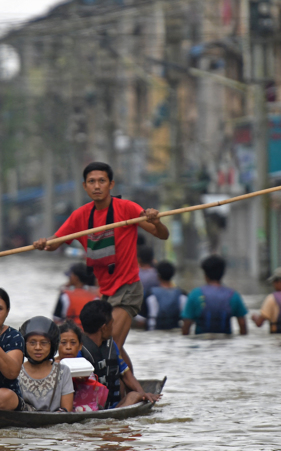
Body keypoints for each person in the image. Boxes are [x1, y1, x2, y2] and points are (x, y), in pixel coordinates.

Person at [33, 162, 170, 371]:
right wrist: (45, 244)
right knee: (109, 346)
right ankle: (130, 388)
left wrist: (157, 221)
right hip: (105, 292)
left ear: (111, 184)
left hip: (128, 287)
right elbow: (56, 242)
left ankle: (128, 391)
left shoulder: (127, 209)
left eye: (101, 181)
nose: (97, 186)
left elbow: (162, 234)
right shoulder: (80, 216)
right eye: (92, 182)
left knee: (111, 343)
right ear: (85, 186)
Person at [77, 300, 159, 409]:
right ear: (104, 328)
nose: (113, 326)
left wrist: (143, 394)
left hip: (113, 406)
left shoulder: (111, 345)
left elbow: (126, 374)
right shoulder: (79, 349)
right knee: (134, 397)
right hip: (88, 408)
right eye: (112, 323)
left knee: (134, 395)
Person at [17, 316, 74, 412]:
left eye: (44, 343)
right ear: (24, 344)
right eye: (32, 342)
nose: (38, 347)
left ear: (52, 345)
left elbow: (66, 411)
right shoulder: (16, 371)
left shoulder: (63, 371)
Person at [181, 255, 248, 335]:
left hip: (201, 344)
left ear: (205, 274)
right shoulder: (233, 295)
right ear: (223, 273)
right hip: (226, 345)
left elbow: (186, 328)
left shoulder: (195, 295)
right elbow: (243, 326)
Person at [146, 261, 187, 331]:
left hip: (154, 332)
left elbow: (142, 320)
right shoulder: (182, 295)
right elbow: (185, 319)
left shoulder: (151, 294)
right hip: (176, 332)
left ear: (158, 276)